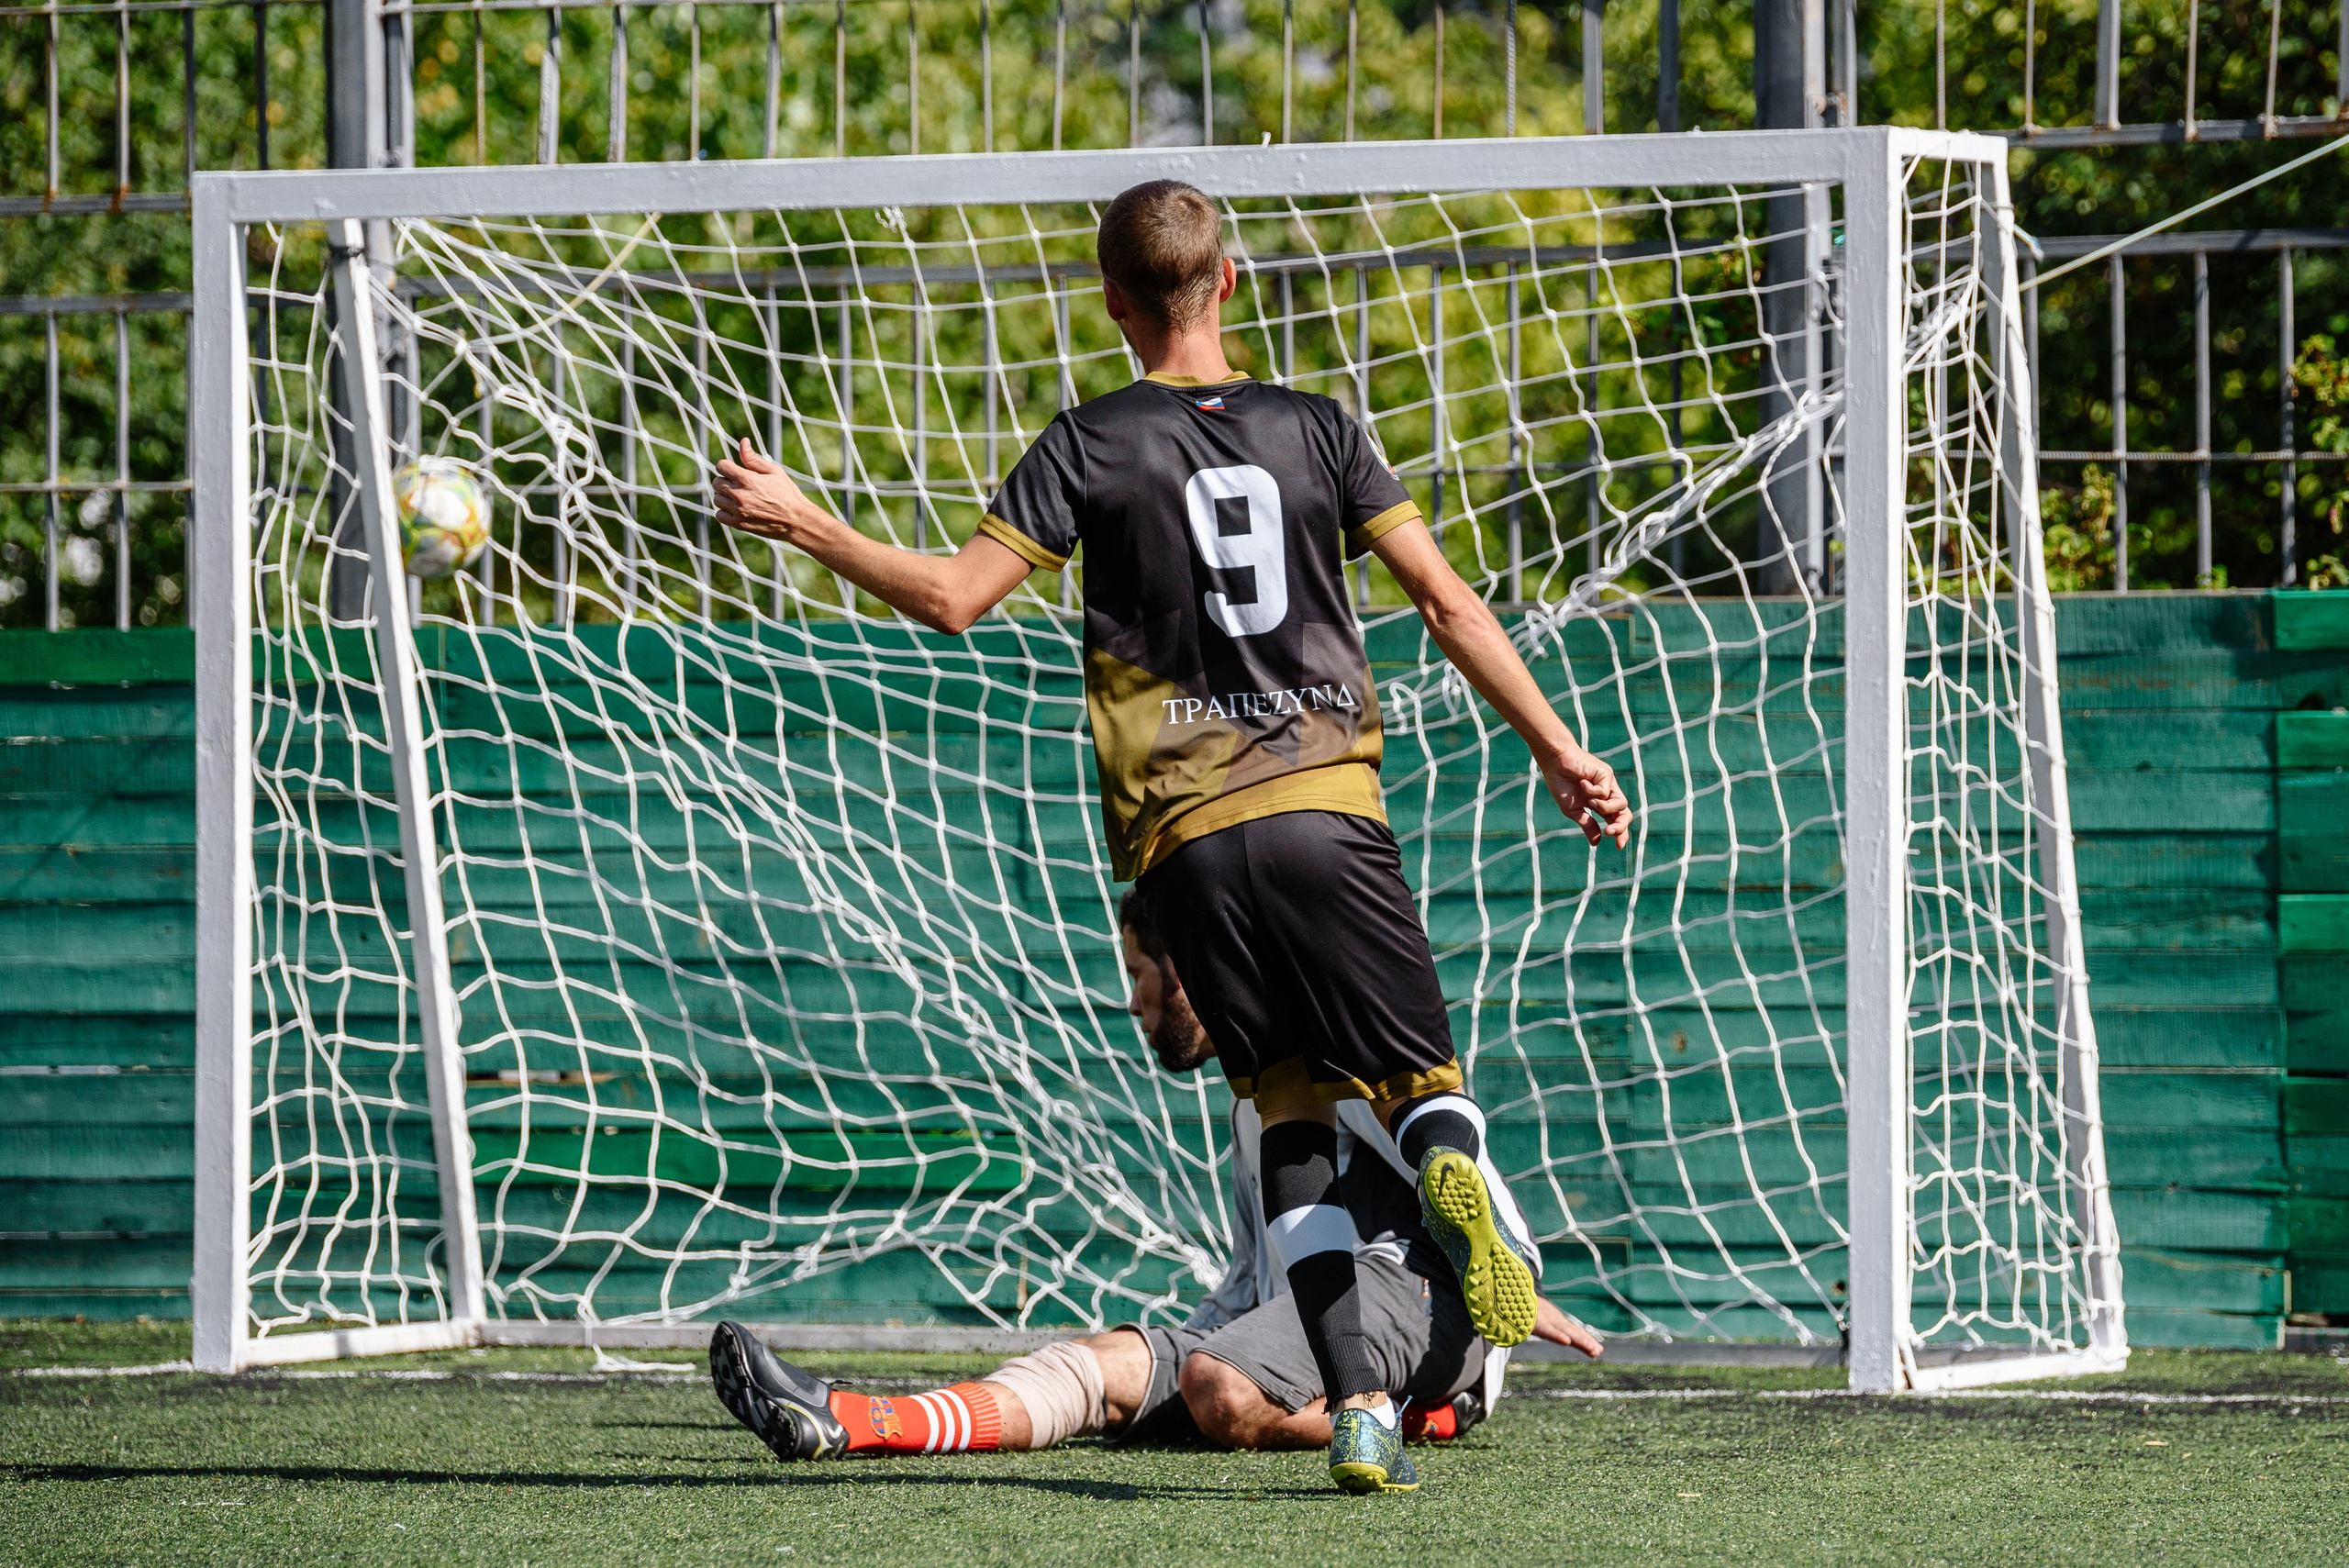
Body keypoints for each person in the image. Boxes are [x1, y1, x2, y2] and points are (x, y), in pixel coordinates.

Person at [711, 178, 1631, 1493]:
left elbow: (955, 599)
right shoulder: (1319, 429)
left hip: (1186, 834)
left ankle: (1364, 1395)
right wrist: (1557, 743)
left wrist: (808, 520)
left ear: (1109, 303)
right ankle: (1451, 1182)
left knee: (1289, 1115)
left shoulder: (1089, 442)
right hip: (1328, 800)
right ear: (1233, 282)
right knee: (1424, 1084)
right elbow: (1442, 600)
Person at [708, 888, 1602, 1472]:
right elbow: (1269, 1274)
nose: (1133, 1000)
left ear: (1197, 975)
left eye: (1141, 974)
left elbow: (1449, 1163)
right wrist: (1177, 1341)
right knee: (1105, 1366)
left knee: (1219, 1382)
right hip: (1340, 1313)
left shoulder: (1323, 1060)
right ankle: (859, 1419)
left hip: (1427, 1293)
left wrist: (1511, 1277)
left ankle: (1418, 1415)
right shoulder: (1254, 1106)